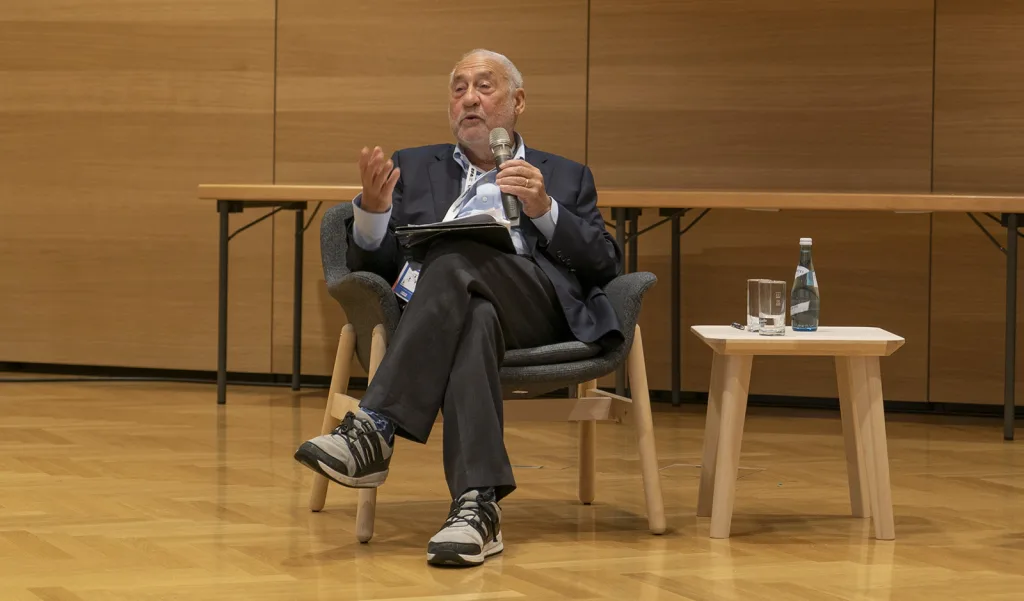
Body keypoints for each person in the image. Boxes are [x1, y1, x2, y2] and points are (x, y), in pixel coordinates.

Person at [294, 49, 623, 567]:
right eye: (458, 88)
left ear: (517, 102)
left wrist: (545, 209)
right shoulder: (412, 165)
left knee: (450, 256)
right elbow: (374, 267)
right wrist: (375, 217)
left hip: (535, 308)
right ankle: (476, 510)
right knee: (473, 315)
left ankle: (375, 427)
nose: (469, 97)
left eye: (484, 86)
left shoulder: (563, 174)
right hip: (438, 312)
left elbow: (605, 262)